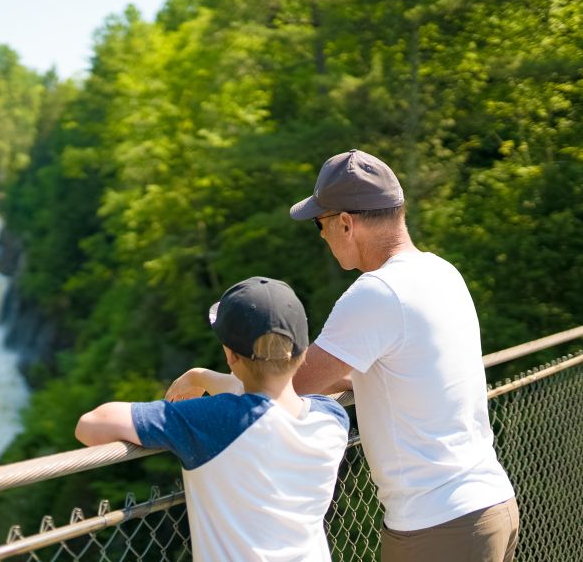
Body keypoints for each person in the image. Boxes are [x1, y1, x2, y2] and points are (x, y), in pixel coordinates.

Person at [167, 149, 519, 562]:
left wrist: (203, 378)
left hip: (438, 527)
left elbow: (280, 389)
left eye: (321, 223)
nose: (320, 235)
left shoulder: (378, 293)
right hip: (491, 505)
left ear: (346, 223)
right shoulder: (441, 272)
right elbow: (393, 371)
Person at [75, 277, 349, 562]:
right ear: (304, 351)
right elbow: (264, 399)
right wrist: (200, 376)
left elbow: (91, 426)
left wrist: (198, 379)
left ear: (231, 356)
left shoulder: (217, 421)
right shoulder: (331, 419)